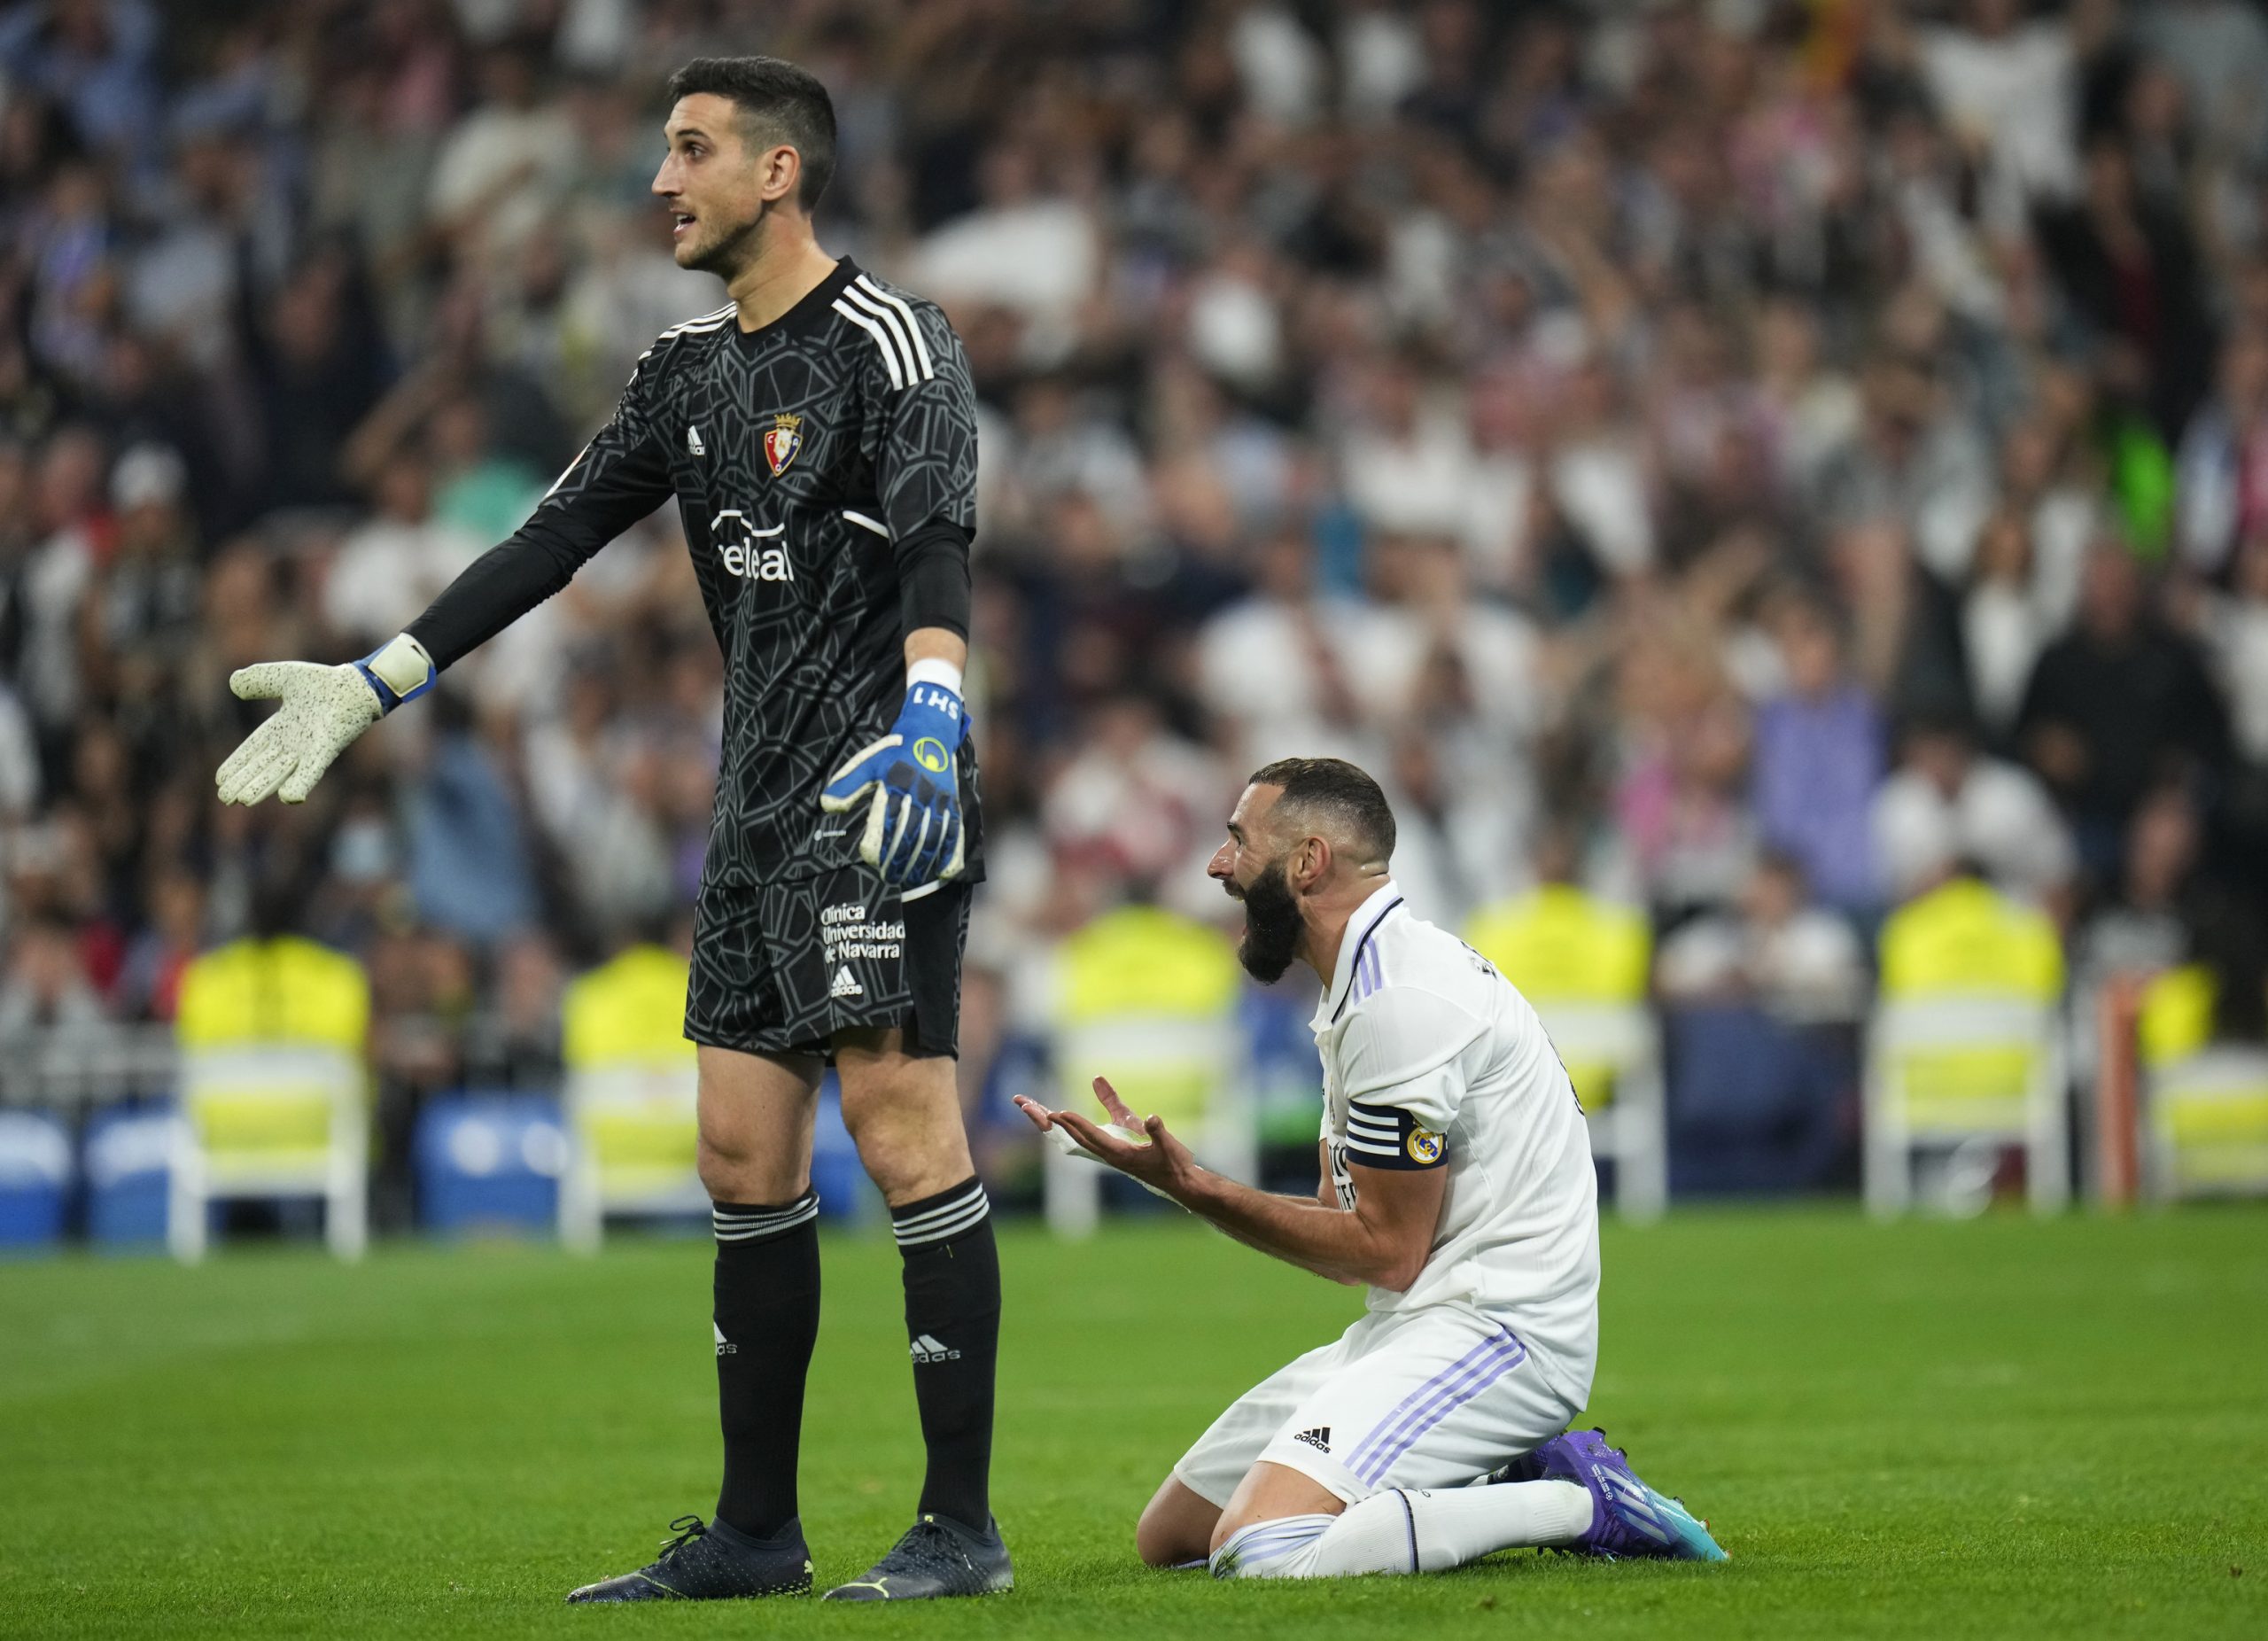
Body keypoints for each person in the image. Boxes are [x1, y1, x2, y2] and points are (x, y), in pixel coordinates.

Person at [212, 57, 1008, 1603]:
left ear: (778, 173)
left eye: (693, 149)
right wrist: (377, 679)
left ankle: (960, 1527)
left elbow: (935, 536)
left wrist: (934, 709)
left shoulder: (896, 340)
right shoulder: (682, 371)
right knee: (736, 1150)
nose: (662, 178)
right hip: (757, 805)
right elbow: (555, 536)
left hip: (884, 782)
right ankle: (758, 1535)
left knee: (904, 1131)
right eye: (665, 149)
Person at [1015, 758, 1726, 1580]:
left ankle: (1578, 1502)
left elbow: (1386, 1251)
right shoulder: (1358, 982)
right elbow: (1343, 1224)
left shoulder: (1398, 1002)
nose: (1217, 866)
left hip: (1504, 1333)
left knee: (1260, 1551)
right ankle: (1489, 1476)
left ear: (1307, 863)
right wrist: (1180, 1176)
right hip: (1418, 1320)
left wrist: (1191, 1187)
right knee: (1170, 1537)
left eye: (1238, 841)